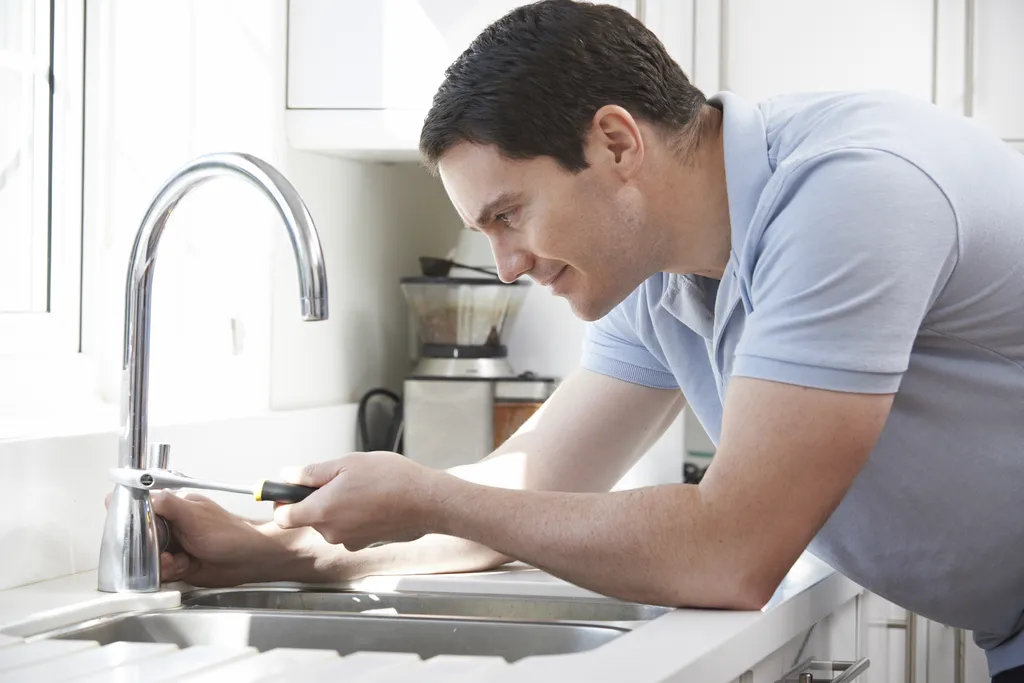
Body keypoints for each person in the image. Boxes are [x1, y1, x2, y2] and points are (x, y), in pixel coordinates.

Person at [142, 1, 1024, 679]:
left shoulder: (849, 192)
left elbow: (730, 551)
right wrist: (275, 547)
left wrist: (433, 496)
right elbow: (520, 495)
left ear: (613, 142)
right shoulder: (662, 275)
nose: (506, 266)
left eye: (508, 213)